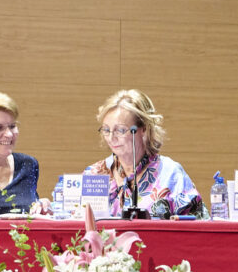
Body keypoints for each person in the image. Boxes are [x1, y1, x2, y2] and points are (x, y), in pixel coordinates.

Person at [87, 89, 206, 218]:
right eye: (106, 130)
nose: (111, 137)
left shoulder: (171, 173)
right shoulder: (94, 173)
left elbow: (199, 226)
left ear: (144, 129)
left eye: (120, 130)